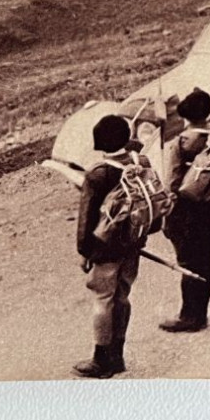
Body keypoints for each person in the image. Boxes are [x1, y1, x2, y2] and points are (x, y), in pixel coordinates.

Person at [74, 115, 147, 378]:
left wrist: (84, 253)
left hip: (105, 248)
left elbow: (86, 219)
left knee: (103, 299)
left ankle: (101, 359)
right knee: (122, 296)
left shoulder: (98, 174)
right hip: (134, 241)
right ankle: (118, 356)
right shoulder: (141, 162)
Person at [158, 88, 210, 334]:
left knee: (188, 262)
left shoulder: (181, 143)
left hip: (187, 210)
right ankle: (201, 311)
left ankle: (190, 316)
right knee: (207, 257)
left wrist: (167, 215)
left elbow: (172, 184)